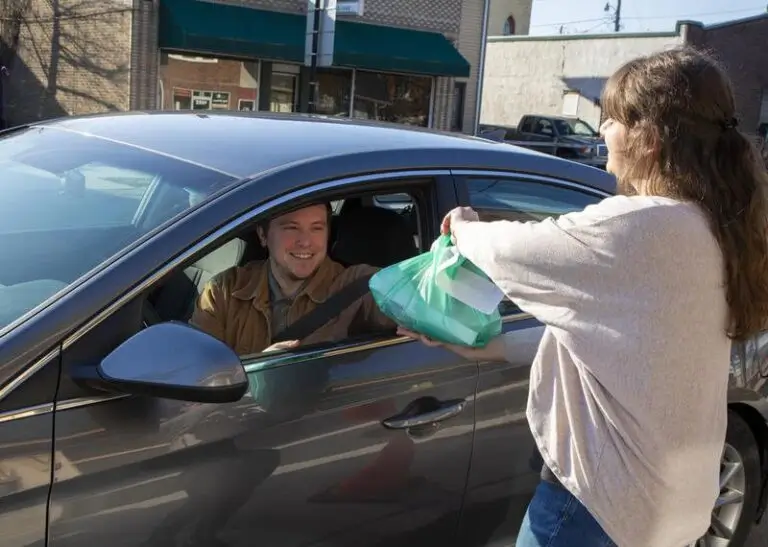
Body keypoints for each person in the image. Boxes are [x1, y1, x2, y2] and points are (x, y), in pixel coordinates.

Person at [399, 46, 768, 547]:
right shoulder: (713, 229)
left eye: (611, 119)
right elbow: (620, 348)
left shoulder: (639, 227)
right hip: (674, 509)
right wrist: (486, 347)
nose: (600, 132)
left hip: (597, 508)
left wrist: (465, 228)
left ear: (649, 138)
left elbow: (515, 251)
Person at [190, 202, 394, 355]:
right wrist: (257, 373)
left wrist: (422, 317)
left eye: (317, 228)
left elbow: (410, 297)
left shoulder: (356, 286)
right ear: (263, 235)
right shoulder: (224, 292)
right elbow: (195, 374)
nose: (305, 241)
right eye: (291, 228)